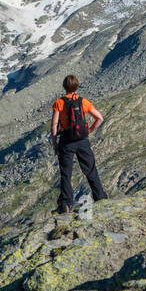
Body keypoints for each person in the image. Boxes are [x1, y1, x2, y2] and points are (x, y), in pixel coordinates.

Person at [51, 74, 107, 213]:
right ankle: (100, 198)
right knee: (90, 170)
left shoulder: (59, 103)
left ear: (64, 87)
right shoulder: (83, 102)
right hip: (82, 140)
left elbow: (54, 125)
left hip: (66, 141)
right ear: (77, 86)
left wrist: (55, 144)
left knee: (66, 174)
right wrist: (89, 131)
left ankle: (65, 204)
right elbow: (100, 118)